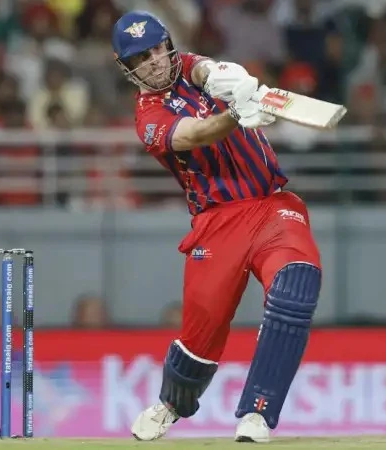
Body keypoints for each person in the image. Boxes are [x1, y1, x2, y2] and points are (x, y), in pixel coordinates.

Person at [112, 10, 322, 444]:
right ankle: (172, 404)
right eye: (141, 58)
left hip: (272, 206)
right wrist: (236, 115)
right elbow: (197, 134)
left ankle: (258, 413)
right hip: (217, 222)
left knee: (296, 287)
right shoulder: (148, 118)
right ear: (127, 68)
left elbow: (207, 70)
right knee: (199, 341)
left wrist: (235, 82)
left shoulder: (187, 65)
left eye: (157, 49)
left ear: (168, 44)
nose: (154, 61)